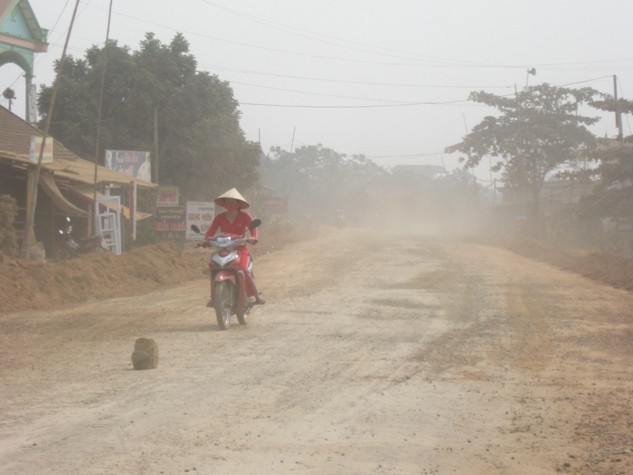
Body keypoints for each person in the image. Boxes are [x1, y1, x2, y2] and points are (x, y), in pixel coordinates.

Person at [205, 188, 265, 306]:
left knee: (243, 270)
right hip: (223, 249)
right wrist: (206, 241)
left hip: (240, 249)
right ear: (224, 204)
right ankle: (214, 297)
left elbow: (254, 229)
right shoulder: (219, 217)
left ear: (238, 204)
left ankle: (256, 296)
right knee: (213, 268)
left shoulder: (245, 216)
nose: (229, 204)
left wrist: (254, 238)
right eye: (227, 201)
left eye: (232, 202)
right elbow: (210, 233)